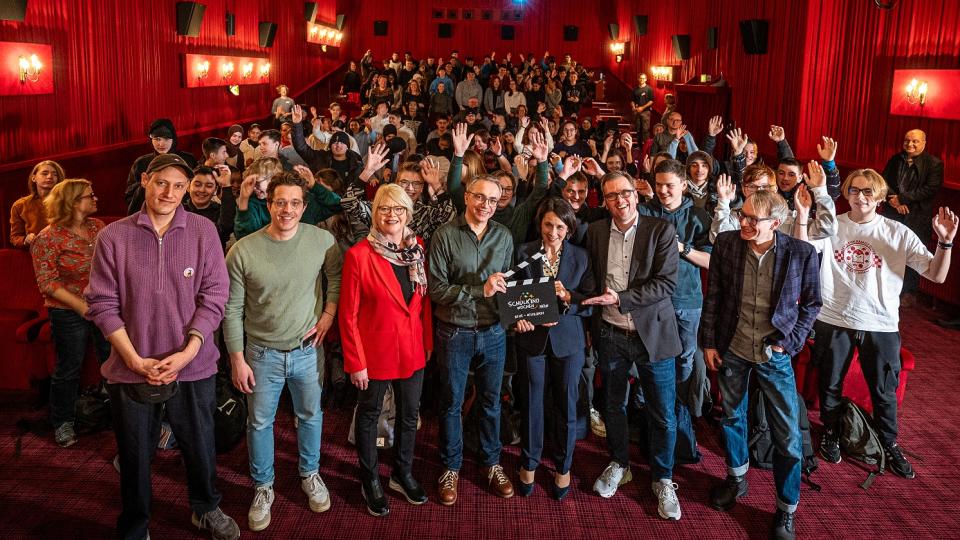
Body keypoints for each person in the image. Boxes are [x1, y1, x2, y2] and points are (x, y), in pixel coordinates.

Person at [85, 154, 238, 540]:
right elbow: (102, 303)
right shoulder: (113, 236)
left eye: (179, 186)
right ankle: (137, 524)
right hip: (131, 367)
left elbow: (215, 296)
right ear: (146, 181)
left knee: (200, 442)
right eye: (162, 183)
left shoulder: (203, 231)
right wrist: (134, 359)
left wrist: (187, 352)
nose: (170, 192)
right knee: (135, 453)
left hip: (193, 364)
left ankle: (205, 508)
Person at [811, 169, 956, 480]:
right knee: (830, 383)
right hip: (834, 319)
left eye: (867, 192)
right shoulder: (831, 226)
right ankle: (831, 433)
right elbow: (803, 249)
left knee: (884, 391)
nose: (859, 196)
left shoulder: (897, 232)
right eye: (854, 190)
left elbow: (936, 274)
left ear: (878, 198)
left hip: (881, 323)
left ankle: (888, 443)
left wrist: (945, 244)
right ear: (846, 193)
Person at [700, 190, 821, 540]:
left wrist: (790, 342)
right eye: (743, 215)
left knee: (787, 436)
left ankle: (786, 510)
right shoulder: (726, 243)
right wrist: (708, 342)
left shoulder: (801, 253)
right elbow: (716, 296)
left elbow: (812, 304)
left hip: (774, 354)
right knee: (733, 417)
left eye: (754, 219)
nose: (745, 222)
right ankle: (736, 479)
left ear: (776, 223)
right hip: (733, 347)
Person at [225, 171, 342, 532]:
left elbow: (336, 277)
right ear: (269, 203)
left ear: (304, 206)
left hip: (308, 350)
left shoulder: (323, 240)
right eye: (280, 202)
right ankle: (263, 486)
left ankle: (310, 474)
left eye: (294, 203)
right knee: (259, 423)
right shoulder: (243, 249)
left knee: (310, 415)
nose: (287, 209)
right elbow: (231, 309)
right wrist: (237, 358)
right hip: (261, 354)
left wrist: (327, 315)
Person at [581, 171, 683, 520]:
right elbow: (590, 278)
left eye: (624, 193)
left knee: (663, 412)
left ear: (637, 195)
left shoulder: (661, 230)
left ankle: (663, 478)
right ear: (603, 201)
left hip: (652, 333)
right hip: (610, 333)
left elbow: (666, 283)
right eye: (610, 196)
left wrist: (621, 298)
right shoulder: (595, 232)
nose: (619, 201)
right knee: (613, 405)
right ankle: (619, 462)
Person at [339, 184, 432, 516]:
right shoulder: (359, 255)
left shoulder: (417, 248)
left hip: (413, 349)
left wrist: (428, 344)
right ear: (375, 213)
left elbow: (423, 306)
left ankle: (401, 473)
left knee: (409, 416)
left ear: (408, 213)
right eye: (384, 208)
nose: (391, 215)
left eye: (399, 209)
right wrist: (355, 362)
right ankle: (370, 480)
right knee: (369, 415)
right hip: (374, 353)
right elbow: (347, 314)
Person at [428, 175, 515, 505]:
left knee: (492, 402)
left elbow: (507, 289)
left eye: (493, 201)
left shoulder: (504, 236)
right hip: (455, 331)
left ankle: (491, 463)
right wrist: (481, 290)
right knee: (451, 403)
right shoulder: (445, 235)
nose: (486, 206)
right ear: (466, 197)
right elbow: (436, 291)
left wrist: (520, 313)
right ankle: (451, 466)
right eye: (480, 198)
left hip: (494, 331)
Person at [513, 198, 593, 500]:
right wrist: (520, 317)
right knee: (532, 401)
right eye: (549, 225)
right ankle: (529, 462)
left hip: (569, 341)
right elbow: (513, 297)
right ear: (540, 224)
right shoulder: (524, 253)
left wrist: (569, 297)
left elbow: (588, 303)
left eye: (560, 226)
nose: (553, 232)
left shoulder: (582, 257)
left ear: (569, 229)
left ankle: (563, 465)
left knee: (566, 404)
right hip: (532, 339)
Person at [637, 159, 712, 465]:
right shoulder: (644, 211)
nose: (664, 191)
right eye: (659, 185)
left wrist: (681, 248)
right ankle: (648, 419)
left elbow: (710, 262)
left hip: (686, 300)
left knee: (683, 361)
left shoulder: (698, 215)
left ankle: (675, 414)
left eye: (670, 185)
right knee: (649, 358)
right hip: (651, 301)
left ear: (684, 184)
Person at [30, 179, 110, 447]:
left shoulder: (97, 227)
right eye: (90, 195)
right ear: (74, 203)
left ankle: (114, 414)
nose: (96, 198)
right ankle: (63, 422)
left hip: (103, 306)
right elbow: (47, 283)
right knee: (68, 368)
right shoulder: (47, 237)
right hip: (67, 311)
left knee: (112, 361)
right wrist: (80, 306)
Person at [880, 129, 944, 304]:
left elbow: (930, 189)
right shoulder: (895, 159)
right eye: (907, 140)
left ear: (924, 142)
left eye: (915, 141)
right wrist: (894, 201)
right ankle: (885, 287)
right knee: (887, 249)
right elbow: (883, 181)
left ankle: (909, 293)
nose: (910, 144)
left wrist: (902, 199)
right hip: (892, 212)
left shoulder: (934, 164)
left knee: (913, 253)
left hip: (917, 216)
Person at [124, 119, 197, 215]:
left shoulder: (188, 160)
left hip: (183, 213)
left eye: (166, 139)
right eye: (157, 139)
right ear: (151, 140)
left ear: (173, 139)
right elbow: (129, 195)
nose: (161, 144)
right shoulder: (141, 163)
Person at [10, 160, 64, 248]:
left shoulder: (67, 200)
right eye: (45, 173)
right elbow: (15, 237)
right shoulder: (20, 205)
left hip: (67, 249)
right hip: (38, 252)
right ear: (34, 178)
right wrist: (25, 240)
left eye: (55, 174)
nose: (50, 176)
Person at [632, 73, 655, 139]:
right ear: (638, 79)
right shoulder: (635, 89)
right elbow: (632, 100)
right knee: (638, 129)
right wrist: (633, 107)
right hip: (637, 112)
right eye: (640, 78)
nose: (642, 79)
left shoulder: (649, 89)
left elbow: (651, 101)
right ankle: (639, 146)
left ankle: (646, 146)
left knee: (645, 130)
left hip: (646, 112)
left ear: (646, 79)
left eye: (643, 78)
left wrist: (642, 108)